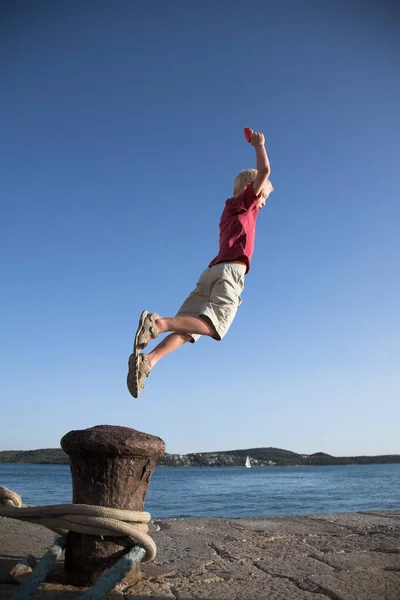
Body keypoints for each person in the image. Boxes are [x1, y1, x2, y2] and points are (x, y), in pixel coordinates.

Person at [127, 129, 273, 398]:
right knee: (214, 326)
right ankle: (158, 324)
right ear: (249, 190)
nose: (262, 203)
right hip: (229, 273)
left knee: (188, 327)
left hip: (212, 271)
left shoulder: (229, 210)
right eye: (263, 196)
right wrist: (259, 146)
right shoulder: (244, 204)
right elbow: (264, 172)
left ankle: (148, 361)